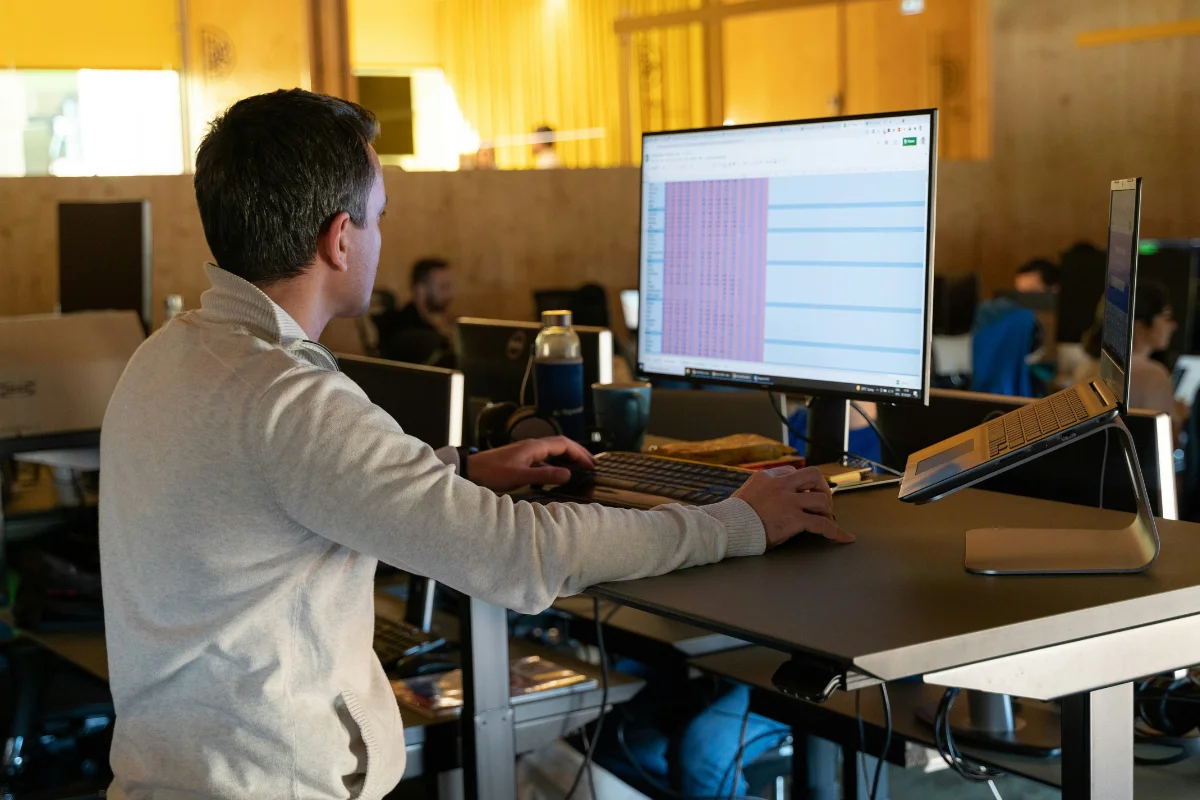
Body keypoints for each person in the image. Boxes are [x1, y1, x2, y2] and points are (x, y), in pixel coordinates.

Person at [98, 89, 853, 800]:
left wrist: (457, 469)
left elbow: (280, 482)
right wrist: (736, 522)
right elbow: (518, 556)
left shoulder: (170, 353)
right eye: (379, 217)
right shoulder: (288, 395)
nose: (381, 237)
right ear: (339, 238)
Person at [1074, 280, 1187, 437]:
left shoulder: (1088, 367)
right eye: (1166, 316)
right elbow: (1166, 441)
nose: (1173, 325)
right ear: (1139, 323)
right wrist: (1181, 417)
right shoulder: (1153, 374)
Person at [372, 257, 455, 366]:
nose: (450, 294)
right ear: (421, 290)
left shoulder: (444, 324)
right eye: (443, 287)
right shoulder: (402, 327)